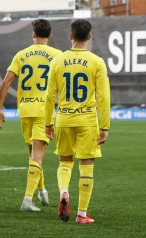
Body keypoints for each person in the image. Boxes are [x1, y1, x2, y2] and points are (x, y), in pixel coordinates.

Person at [44, 19, 110, 224]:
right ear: (89, 36)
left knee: (65, 161)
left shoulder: (58, 60)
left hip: (63, 118)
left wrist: (48, 123)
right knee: (86, 164)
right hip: (87, 119)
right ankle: (82, 214)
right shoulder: (96, 61)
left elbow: (49, 95)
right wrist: (104, 126)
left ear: (70, 36)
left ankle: (64, 191)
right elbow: (103, 97)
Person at [0, 19, 61, 212]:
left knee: (33, 155)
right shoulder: (57, 55)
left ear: (33, 34)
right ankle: (27, 199)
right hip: (44, 110)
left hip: (24, 110)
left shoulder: (21, 55)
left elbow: (6, 81)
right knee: (38, 156)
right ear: (50, 35)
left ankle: (41, 190)